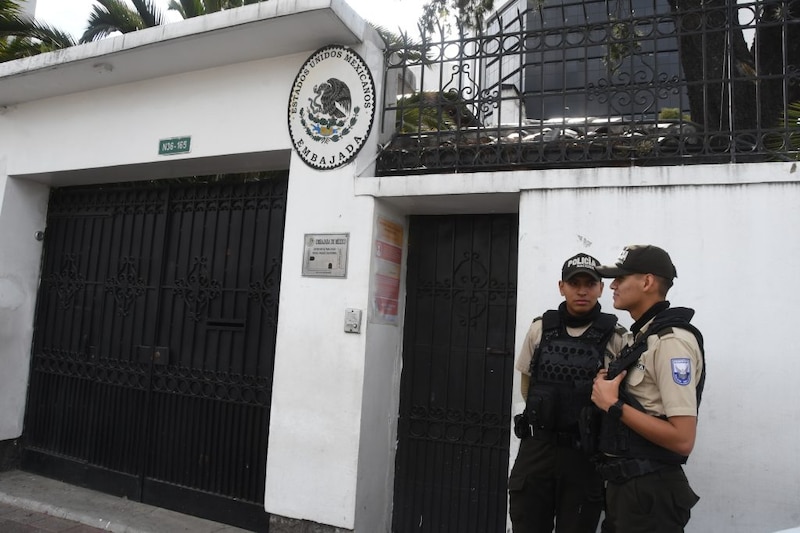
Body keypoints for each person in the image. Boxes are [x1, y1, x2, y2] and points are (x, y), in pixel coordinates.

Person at [590, 244, 706, 533]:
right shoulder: (641, 338)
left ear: (647, 281)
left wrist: (613, 405)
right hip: (628, 489)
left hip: (650, 493)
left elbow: (682, 439)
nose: (612, 285)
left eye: (620, 277)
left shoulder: (670, 342)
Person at [508, 253, 626, 533]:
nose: (582, 290)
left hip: (585, 454)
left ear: (600, 288)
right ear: (562, 287)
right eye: (575, 283)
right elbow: (527, 385)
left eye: (590, 283)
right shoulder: (540, 329)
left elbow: (620, 396)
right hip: (538, 448)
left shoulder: (617, 336)